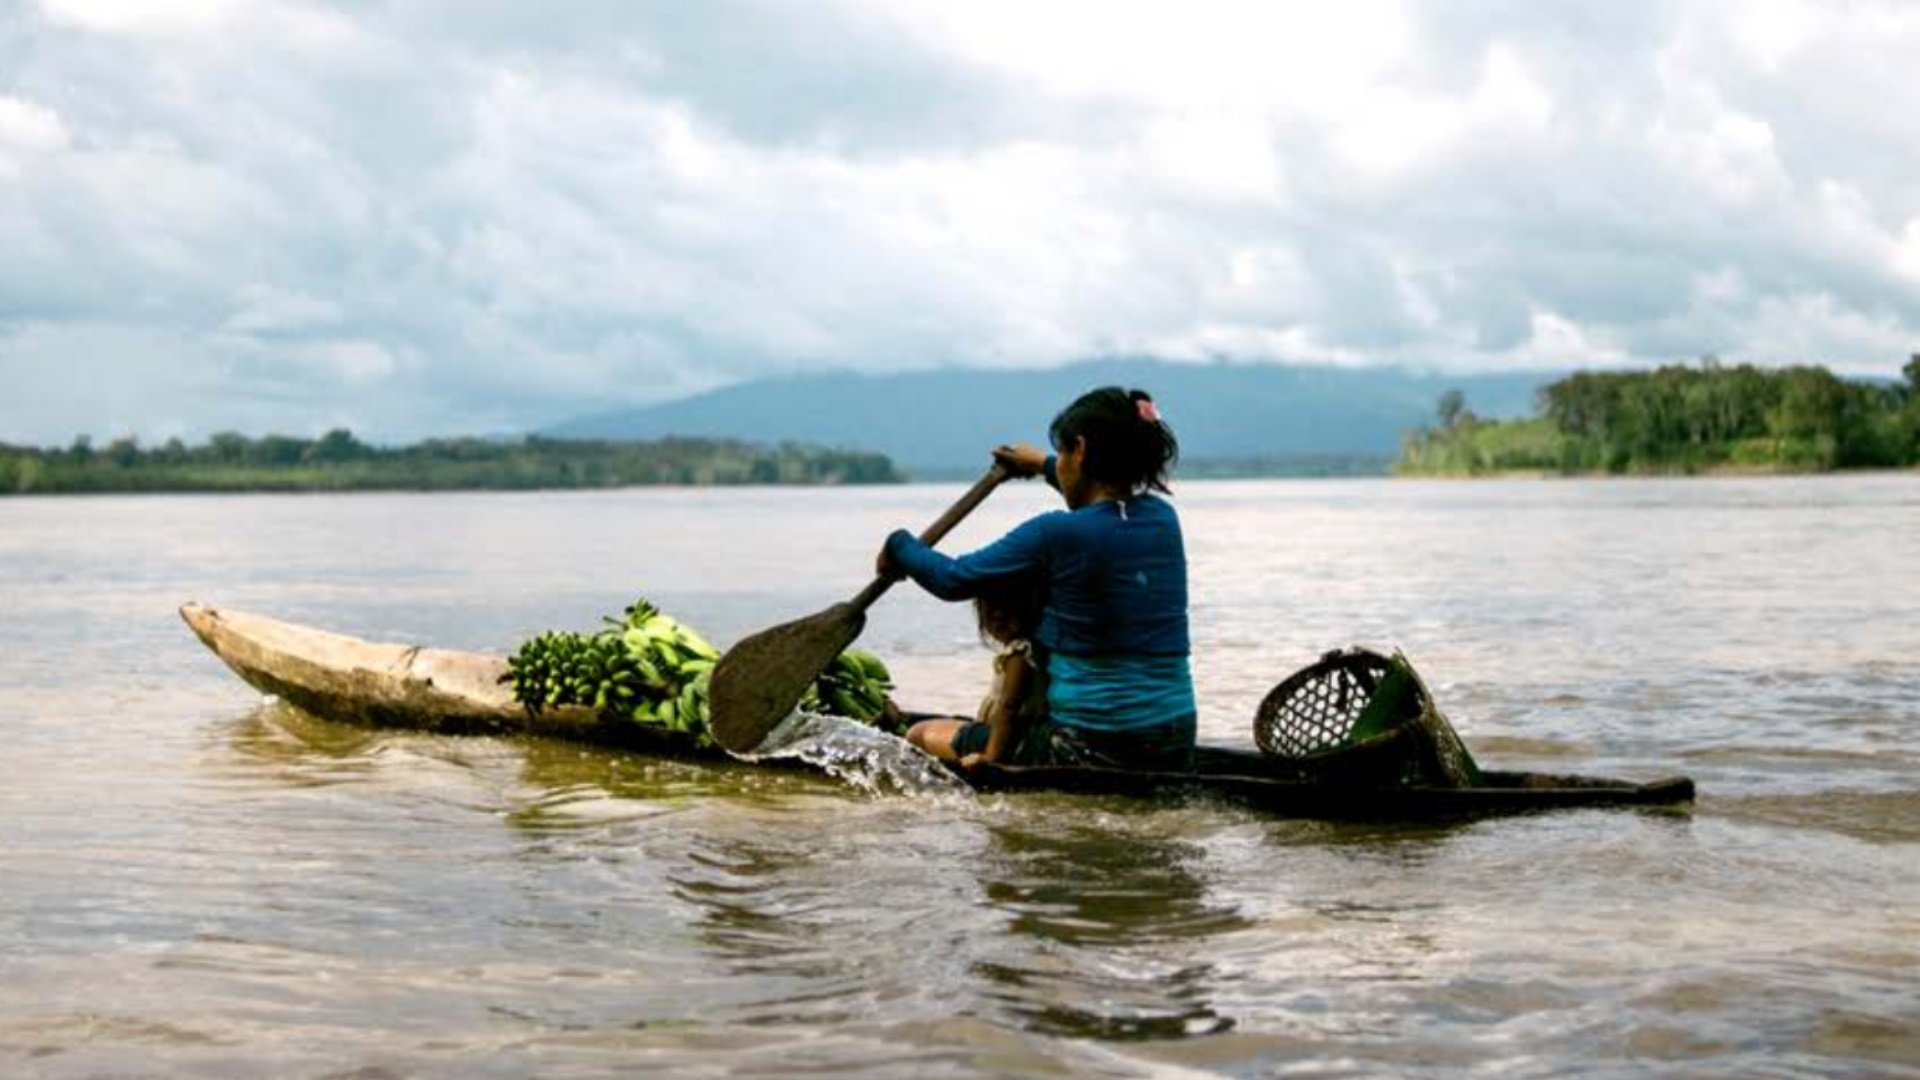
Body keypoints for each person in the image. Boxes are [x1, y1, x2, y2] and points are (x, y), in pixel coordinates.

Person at [879, 386, 1195, 771]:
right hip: (1176, 738)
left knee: (922, 733)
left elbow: (953, 579)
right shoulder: (1162, 518)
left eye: (1061, 454)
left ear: (1079, 450)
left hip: (1089, 746)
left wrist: (899, 544)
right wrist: (1040, 464)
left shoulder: (1056, 532)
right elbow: (1100, 497)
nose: (1058, 464)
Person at [905, 581, 1048, 768]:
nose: (997, 618)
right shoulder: (1039, 646)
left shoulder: (1020, 652)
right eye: (991, 614)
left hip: (1008, 737)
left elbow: (1009, 706)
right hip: (1012, 730)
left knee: (917, 734)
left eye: (1003, 613)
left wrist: (990, 756)